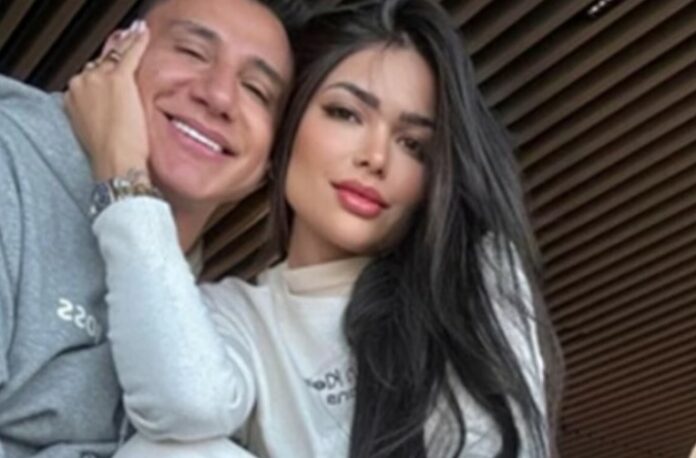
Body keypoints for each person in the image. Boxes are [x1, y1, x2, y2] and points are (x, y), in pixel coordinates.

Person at [67, 0, 563, 456]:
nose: (375, 157)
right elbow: (185, 406)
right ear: (286, 128)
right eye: (345, 114)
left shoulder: (475, 278)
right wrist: (123, 174)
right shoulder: (233, 314)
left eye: (414, 145)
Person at [0, 0, 307, 456]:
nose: (220, 96)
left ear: (270, 162)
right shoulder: (10, 161)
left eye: (257, 90)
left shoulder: (212, 310)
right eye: (193, 52)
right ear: (117, 53)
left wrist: (122, 181)